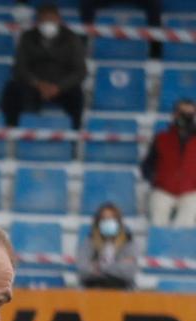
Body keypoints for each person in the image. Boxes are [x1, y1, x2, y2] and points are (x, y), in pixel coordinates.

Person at [0, 6, 85, 131]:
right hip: (33, 85)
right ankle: (11, 133)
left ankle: (76, 138)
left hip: (61, 87)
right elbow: (19, 67)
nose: (48, 24)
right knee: (11, 90)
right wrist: (38, 84)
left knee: (77, 95)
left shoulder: (71, 38)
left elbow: (80, 71)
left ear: (59, 20)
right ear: (38, 22)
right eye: (44, 20)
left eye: (52, 20)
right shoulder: (27, 37)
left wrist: (58, 87)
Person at [141, 99, 196, 229]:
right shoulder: (161, 138)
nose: (186, 117)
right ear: (175, 114)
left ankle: (180, 248)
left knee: (187, 222)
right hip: (164, 190)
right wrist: (154, 178)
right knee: (158, 221)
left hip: (191, 191)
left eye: (190, 113)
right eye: (182, 113)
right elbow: (147, 164)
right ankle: (158, 247)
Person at [76, 202, 139, 290]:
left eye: (111, 219)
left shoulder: (129, 242)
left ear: (118, 222)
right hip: (93, 289)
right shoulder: (89, 241)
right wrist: (117, 266)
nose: (107, 222)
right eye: (104, 219)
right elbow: (82, 269)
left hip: (121, 290)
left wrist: (99, 266)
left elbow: (128, 272)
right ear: (98, 222)